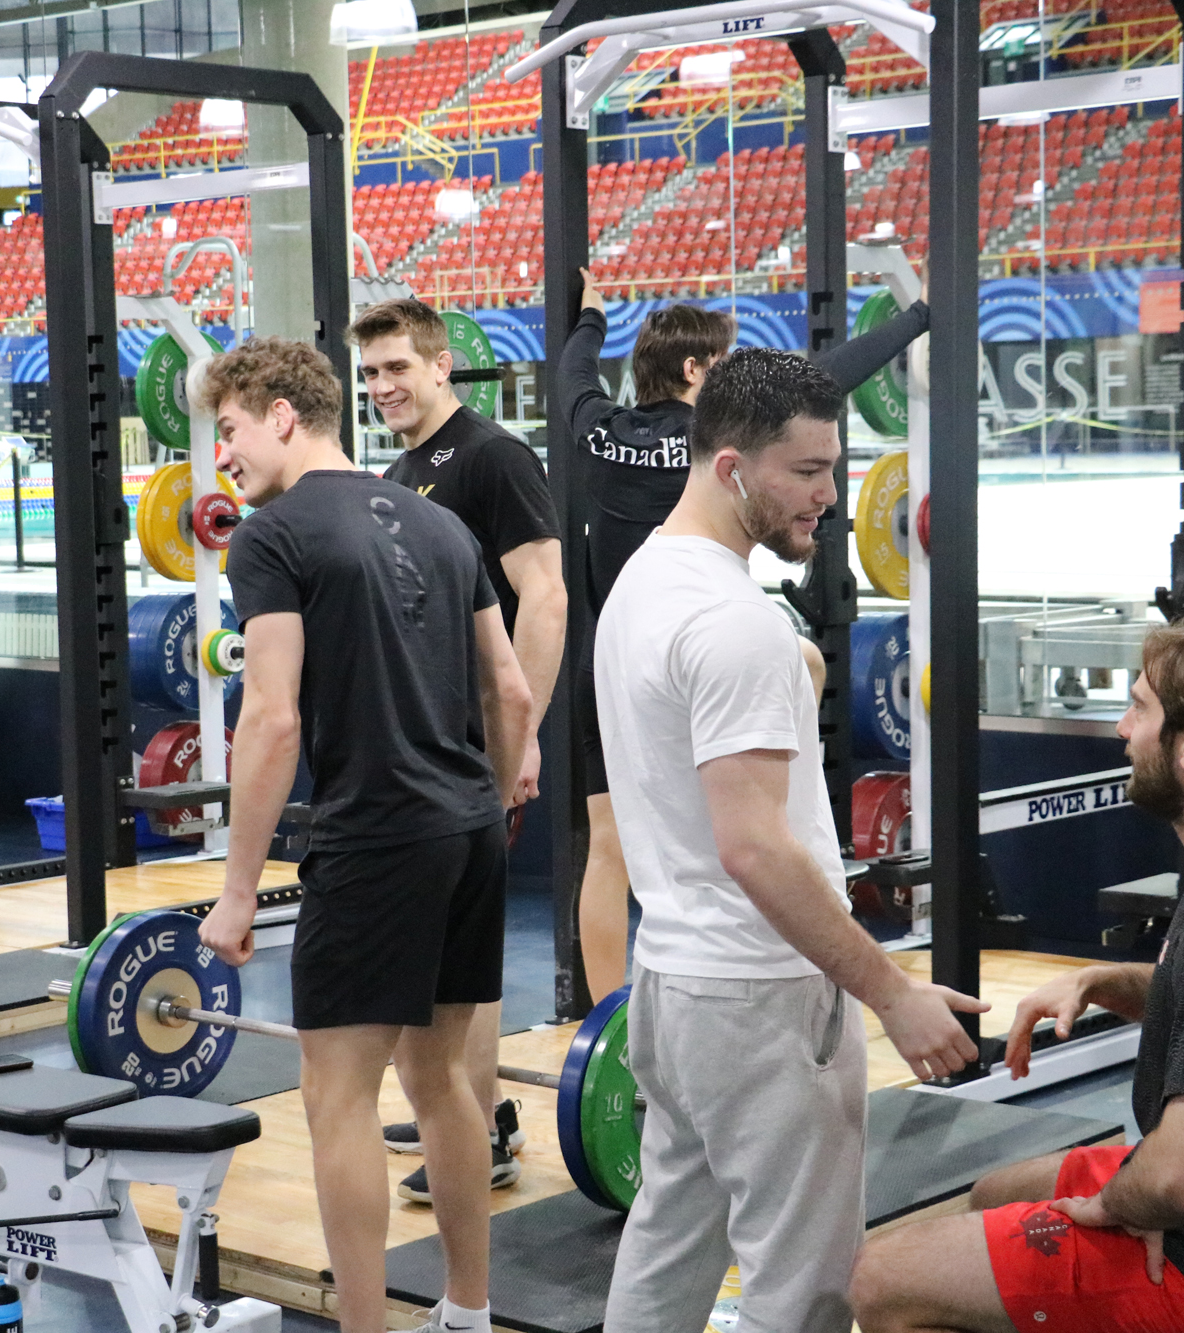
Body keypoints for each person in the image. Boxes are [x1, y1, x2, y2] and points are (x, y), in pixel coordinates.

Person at [596, 347, 986, 1333]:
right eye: (805, 473)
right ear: (729, 467)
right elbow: (755, 849)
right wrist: (890, 992)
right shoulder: (736, 624)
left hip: (673, 983)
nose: (827, 495)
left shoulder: (645, 581)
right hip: (760, 997)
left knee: (667, 1244)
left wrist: (791, 664)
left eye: (831, 468)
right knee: (803, 1285)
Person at [849, 611, 1184, 1333]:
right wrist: (1102, 983)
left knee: (878, 1282)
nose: (1124, 729)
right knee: (996, 1191)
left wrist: (1121, 1206)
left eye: (1140, 708)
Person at [197, 336, 533, 1333]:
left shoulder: (270, 535)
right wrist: (486, 800)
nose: (221, 454)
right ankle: (466, 1312)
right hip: (466, 826)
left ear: (283, 416)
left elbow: (270, 718)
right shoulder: (438, 524)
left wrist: (236, 888)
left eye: (228, 428)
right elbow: (507, 688)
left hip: (376, 837)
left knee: (334, 1093)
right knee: (439, 1081)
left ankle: (365, 1328)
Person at [560, 269, 932, 997]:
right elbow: (832, 373)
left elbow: (573, 378)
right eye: (725, 365)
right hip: (697, 662)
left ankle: (602, 1026)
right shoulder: (719, 444)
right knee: (795, 672)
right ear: (697, 370)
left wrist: (591, 318)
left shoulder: (602, 431)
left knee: (609, 851)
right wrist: (917, 316)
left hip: (610, 661)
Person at [352, 297, 565, 1200]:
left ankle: (480, 1140)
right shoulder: (403, 470)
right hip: (430, 739)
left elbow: (546, 595)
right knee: (442, 954)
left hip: (483, 739)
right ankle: (457, 1114)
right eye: (369, 374)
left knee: (463, 967)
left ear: (442, 364)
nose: (382, 387)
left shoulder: (492, 456)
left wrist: (525, 735)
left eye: (397, 367)